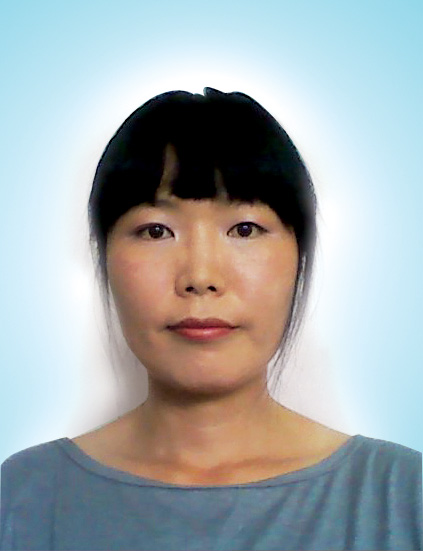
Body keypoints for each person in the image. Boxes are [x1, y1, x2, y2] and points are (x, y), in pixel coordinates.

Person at [1, 87, 421, 551]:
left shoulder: (401, 495)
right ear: (103, 258)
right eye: (156, 231)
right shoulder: (21, 497)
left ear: (300, 257)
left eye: (244, 229)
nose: (200, 277)